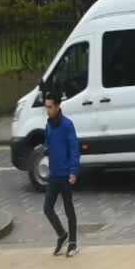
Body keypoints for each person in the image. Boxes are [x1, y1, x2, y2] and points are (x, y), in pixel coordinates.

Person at [42, 92, 81, 257]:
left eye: (50, 107)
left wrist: (73, 171)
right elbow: (49, 144)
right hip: (54, 174)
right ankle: (61, 234)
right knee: (47, 208)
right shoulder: (48, 125)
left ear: (58, 106)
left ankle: (73, 243)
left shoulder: (67, 125)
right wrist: (45, 149)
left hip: (65, 175)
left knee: (68, 209)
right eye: (46, 106)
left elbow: (74, 149)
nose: (47, 110)